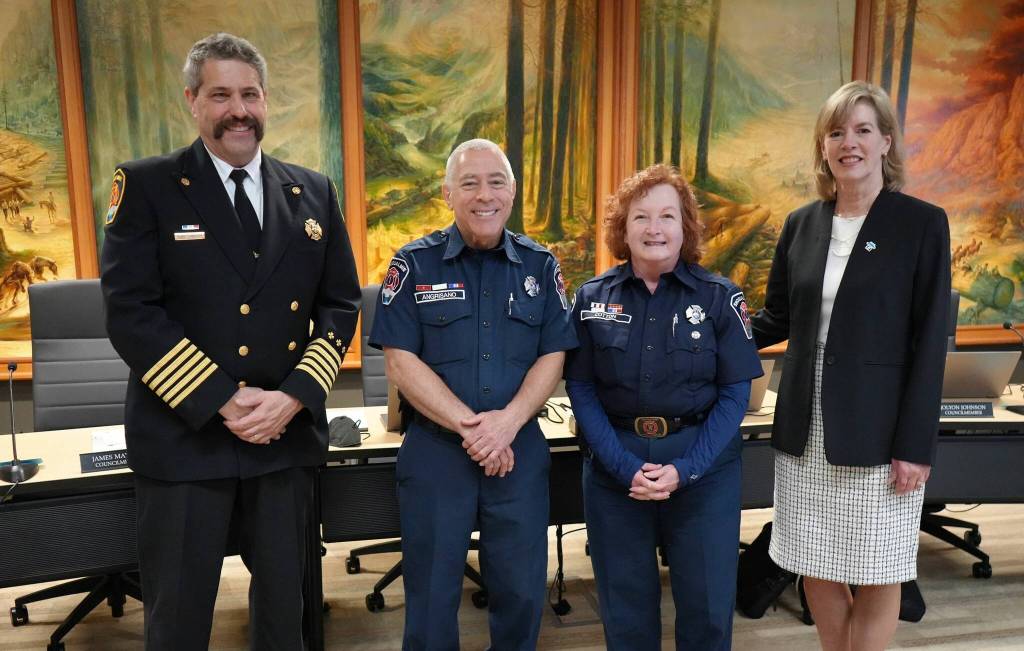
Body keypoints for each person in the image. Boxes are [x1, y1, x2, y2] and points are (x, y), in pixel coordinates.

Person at [100, 32, 360, 649]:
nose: (237, 109)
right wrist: (223, 399)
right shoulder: (148, 187)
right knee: (180, 616)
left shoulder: (312, 191)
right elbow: (131, 311)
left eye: (249, 94)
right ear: (193, 101)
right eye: (220, 95)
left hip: (282, 438)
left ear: (266, 101)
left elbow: (339, 305)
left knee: (286, 615)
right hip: (184, 439)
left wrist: (293, 397)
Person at [751, 81, 950, 651]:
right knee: (813, 558)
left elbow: (929, 341)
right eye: (836, 132)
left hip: (880, 429)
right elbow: (776, 319)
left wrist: (916, 444)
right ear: (823, 146)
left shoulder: (920, 224)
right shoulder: (802, 224)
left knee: (879, 564)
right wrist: (709, 334)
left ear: (887, 141)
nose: (849, 142)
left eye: (863, 130)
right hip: (804, 427)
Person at [368, 138, 577, 650]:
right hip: (438, 454)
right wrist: (473, 427)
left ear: (512, 192)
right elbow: (400, 359)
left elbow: (555, 354)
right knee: (433, 598)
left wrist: (506, 424)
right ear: (448, 194)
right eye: (469, 183)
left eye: (496, 182)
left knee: (523, 591)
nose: (484, 195)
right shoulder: (413, 266)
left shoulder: (540, 267)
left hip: (518, 453)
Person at [564, 164, 763, 650]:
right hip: (616, 474)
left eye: (667, 216)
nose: (654, 229)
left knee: (708, 609)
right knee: (625, 609)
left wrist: (687, 469)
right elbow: (581, 389)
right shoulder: (592, 299)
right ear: (623, 229)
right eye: (641, 217)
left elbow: (736, 395)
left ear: (686, 226)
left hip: (704, 472)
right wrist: (623, 466)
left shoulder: (720, 299)